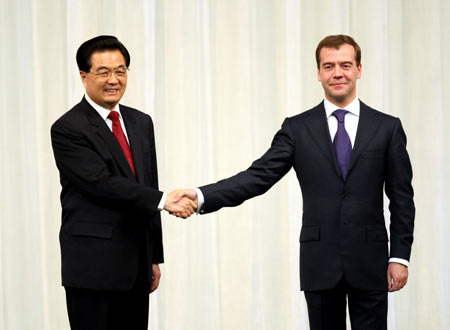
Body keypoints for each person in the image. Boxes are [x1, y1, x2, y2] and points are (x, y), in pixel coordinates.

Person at [172, 35, 415, 330]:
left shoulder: (387, 128)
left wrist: (400, 256)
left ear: (359, 70)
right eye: (328, 66)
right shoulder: (297, 128)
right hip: (320, 263)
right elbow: (258, 176)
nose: (337, 73)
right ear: (318, 73)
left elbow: (402, 198)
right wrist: (201, 195)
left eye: (345, 65)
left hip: (371, 262)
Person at [51, 35, 196, 330]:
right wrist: (163, 200)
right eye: (103, 72)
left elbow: (148, 183)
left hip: (136, 265)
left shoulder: (141, 122)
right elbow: (100, 183)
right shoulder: (68, 128)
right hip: (93, 268)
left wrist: (154, 257)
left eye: (121, 70)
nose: (113, 79)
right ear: (83, 76)